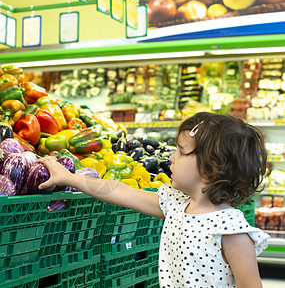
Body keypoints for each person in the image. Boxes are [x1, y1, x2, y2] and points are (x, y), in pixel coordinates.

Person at [37, 112, 270, 288]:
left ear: (212, 166)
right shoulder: (176, 205)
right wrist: (70, 178)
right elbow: (118, 191)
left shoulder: (231, 230)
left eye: (180, 150)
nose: (171, 157)